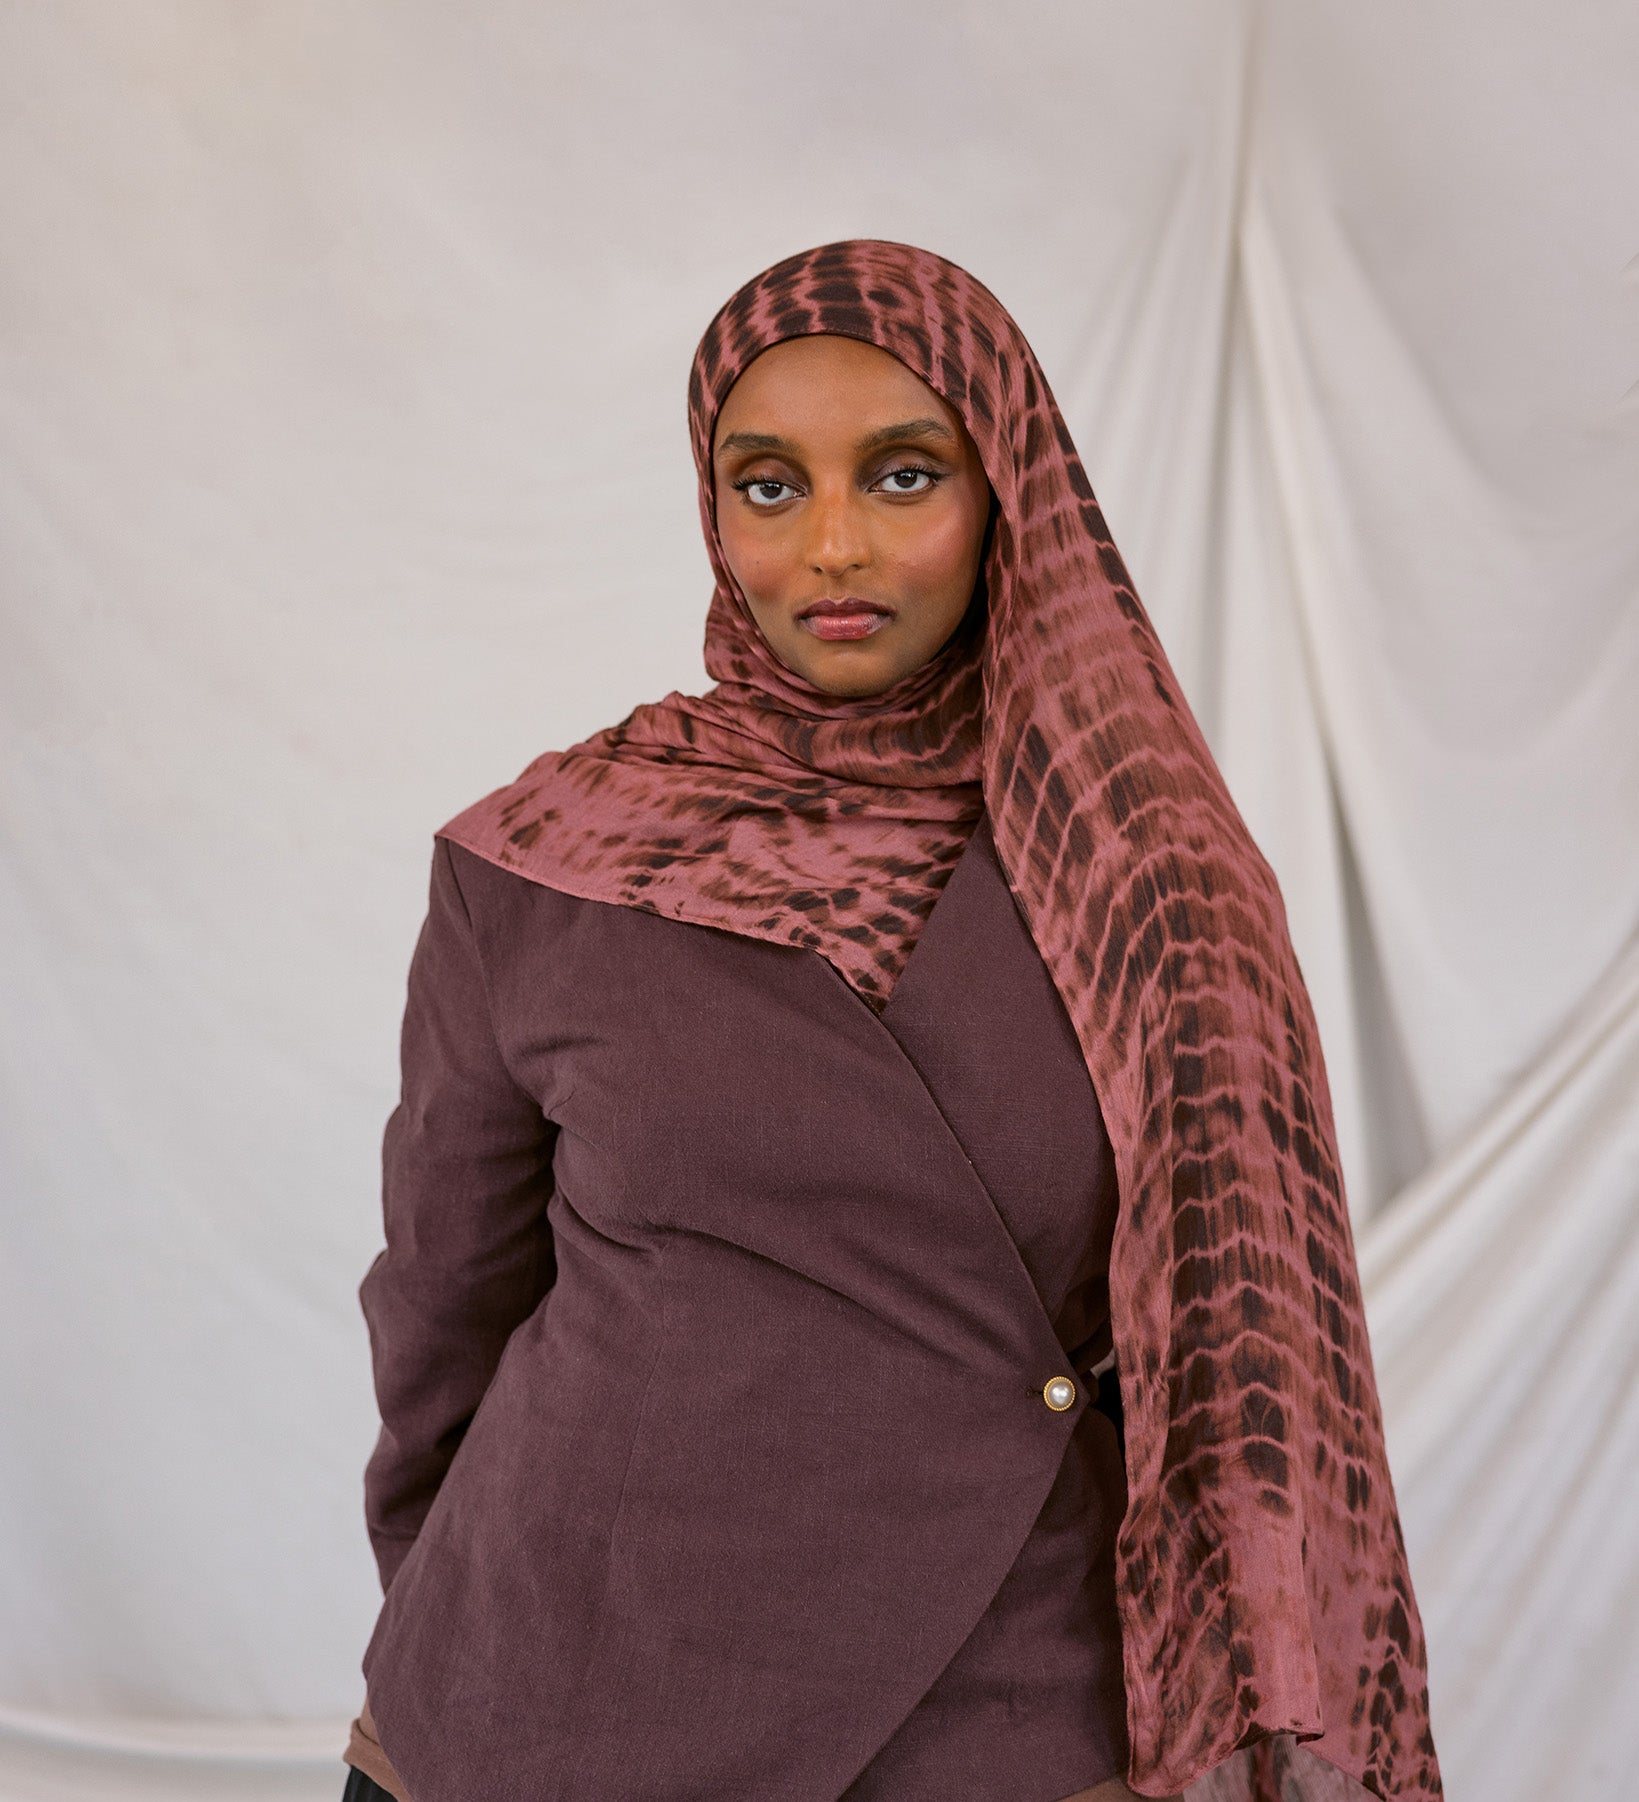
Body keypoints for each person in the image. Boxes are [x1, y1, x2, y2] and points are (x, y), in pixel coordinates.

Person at [344, 241, 1442, 1802]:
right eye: (770, 484)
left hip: (999, 1716)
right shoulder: (544, 861)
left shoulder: (1154, 877)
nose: (834, 545)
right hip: (553, 1702)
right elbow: (440, 1321)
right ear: (712, 511)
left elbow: (1243, 1380)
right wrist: (478, 1620)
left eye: (905, 474)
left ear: (1009, 491)